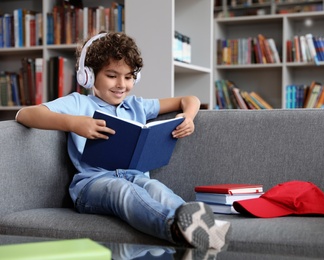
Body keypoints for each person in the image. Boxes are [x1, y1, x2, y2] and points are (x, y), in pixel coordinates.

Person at [15, 32, 231, 250]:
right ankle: (174, 229)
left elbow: (189, 99)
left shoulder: (137, 105)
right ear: (88, 76)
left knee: (156, 189)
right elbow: (25, 114)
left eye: (128, 77)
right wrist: (74, 123)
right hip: (92, 185)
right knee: (122, 191)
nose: (121, 84)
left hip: (135, 178)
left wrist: (188, 117)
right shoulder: (78, 104)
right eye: (112, 75)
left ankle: (203, 227)